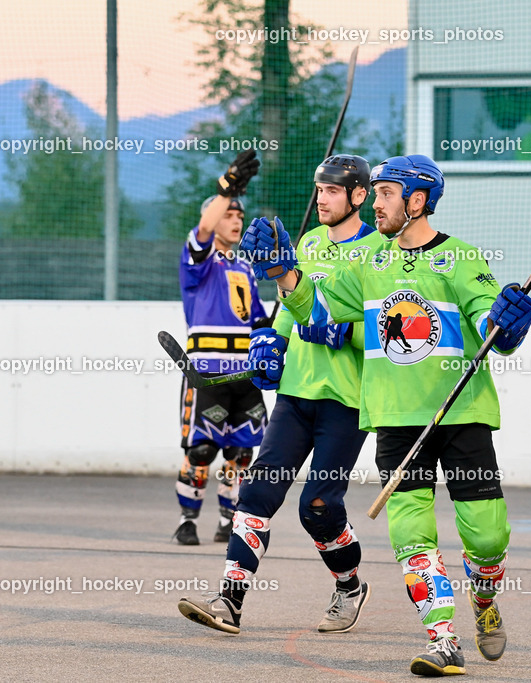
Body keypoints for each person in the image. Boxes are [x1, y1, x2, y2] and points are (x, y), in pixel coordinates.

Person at [242, 154, 531, 677]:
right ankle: (443, 641)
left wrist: (508, 320)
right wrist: (284, 274)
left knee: (487, 538)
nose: (374, 204)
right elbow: (319, 309)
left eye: (385, 194)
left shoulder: (461, 259)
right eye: (373, 193)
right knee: (411, 537)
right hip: (397, 422)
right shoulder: (368, 259)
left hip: (459, 415)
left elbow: (492, 322)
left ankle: (485, 598)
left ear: (417, 201)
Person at [177, 154, 382, 634]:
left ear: (358, 196)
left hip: (346, 401)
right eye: (319, 189)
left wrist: (344, 333)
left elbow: (384, 327)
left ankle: (349, 585)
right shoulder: (308, 242)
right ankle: (229, 602)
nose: (322, 198)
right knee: (257, 493)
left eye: (332, 191)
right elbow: (290, 306)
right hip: (294, 395)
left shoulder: (380, 252)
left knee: (319, 507)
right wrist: (273, 340)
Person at [174, 150, 267, 546]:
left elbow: (260, 320)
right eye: (229, 213)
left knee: (240, 450)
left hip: (244, 374)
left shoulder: (246, 267)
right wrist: (226, 190)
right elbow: (204, 225)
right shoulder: (199, 260)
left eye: (240, 214)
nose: (236, 218)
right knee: (201, 449)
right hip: (208, 373)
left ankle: (229, 518)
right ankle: (187, 519)